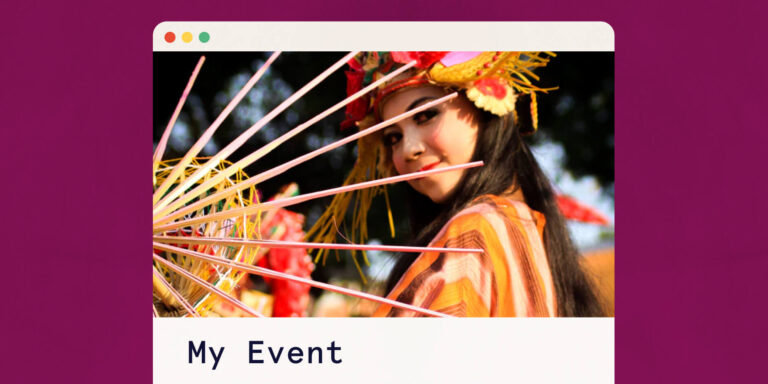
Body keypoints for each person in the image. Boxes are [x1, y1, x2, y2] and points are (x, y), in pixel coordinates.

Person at [308, 52, 603, 317]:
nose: (408, 149)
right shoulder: (524, 226)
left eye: (425, 116)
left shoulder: (472, 233)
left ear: (484, 105)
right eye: (392, 137)